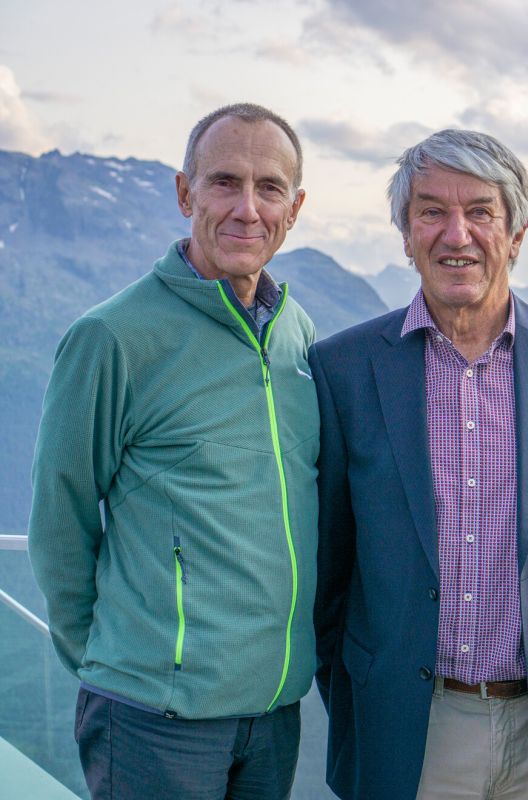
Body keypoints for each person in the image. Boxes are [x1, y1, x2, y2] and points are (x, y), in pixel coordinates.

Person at [309, 129, 528, 800]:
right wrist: (355, 703)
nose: (455, 234)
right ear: (406, 234)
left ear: (516, 234)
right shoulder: (343, 369)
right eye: (431, 211)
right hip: (410, 732)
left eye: (480, 212)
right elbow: (330, 570)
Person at [28, 102, 318, 799]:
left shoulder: (298, 335)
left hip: (274, 711)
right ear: (186, 193)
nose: (248, 209)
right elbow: (60, 517)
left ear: (295, 208)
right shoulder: (112, 337)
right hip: (154, 718)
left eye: (269, 188)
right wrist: (113, 662)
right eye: (224, 182)